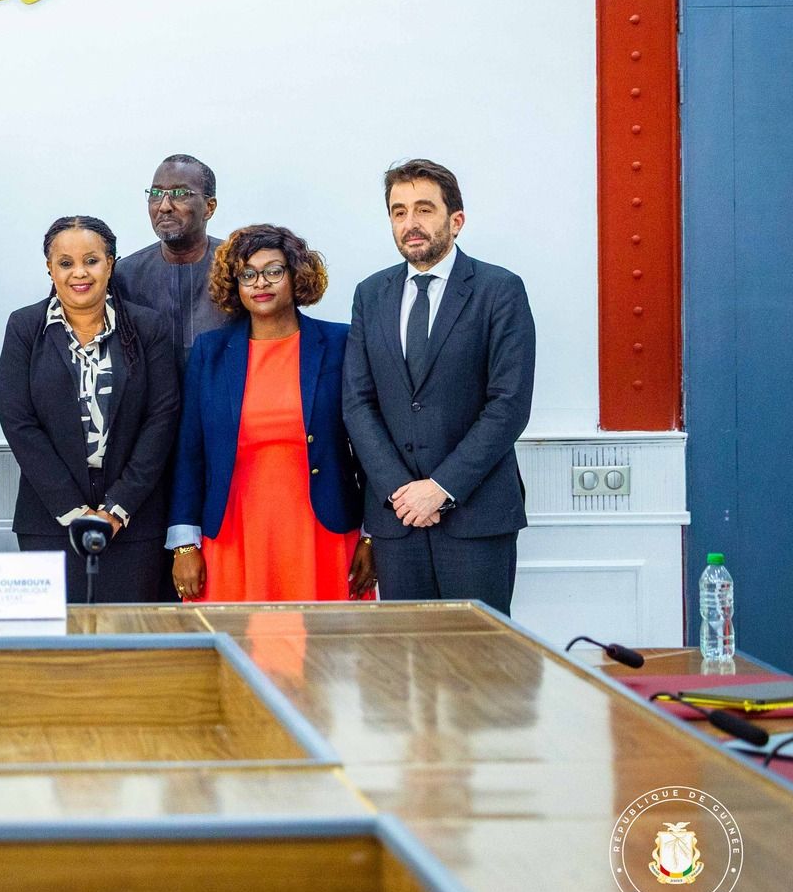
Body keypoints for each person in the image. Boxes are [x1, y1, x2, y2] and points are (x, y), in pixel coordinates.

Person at [342, 159, 536, 614]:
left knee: (478, 663)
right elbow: (357, 403)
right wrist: (400, 491)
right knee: (408, 666)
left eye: (424, 209)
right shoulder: (370, 295)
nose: (411, 223)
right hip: (397, 519)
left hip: (476, 514)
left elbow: (508, 405)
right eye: (398, 211)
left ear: (456, 220)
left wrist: (441, 487)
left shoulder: (499, 290)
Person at [168, 224, 372, 603]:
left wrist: (371, 535)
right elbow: (189, 454)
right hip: (233, 532)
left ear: (297, 276)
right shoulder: (209, 352)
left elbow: (368, 446)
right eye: (248, 274)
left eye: (274, 271)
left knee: (325, 655)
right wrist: (184, 545)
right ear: (235, 284)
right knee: (239, 651)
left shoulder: (340, 344)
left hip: (323, 533)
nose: (260, 283)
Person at [0, 216, 181, 602]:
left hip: (135, 522)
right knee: (60, 650)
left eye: (91, 260)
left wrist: (116, 508)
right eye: (65, 263)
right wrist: (74, 510)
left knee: (128, 644)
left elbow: (161, 419)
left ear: (111, 263)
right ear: (50, 268)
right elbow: (18, 422)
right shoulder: (25, 327)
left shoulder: (149, 328)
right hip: (49, 520)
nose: (79, 273)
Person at [115, 155, 229, 368]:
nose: (164, 206)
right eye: (156, 194)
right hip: (154, 399)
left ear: (209, 207)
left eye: (180, 194)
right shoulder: (124, 276)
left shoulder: (239, 266)